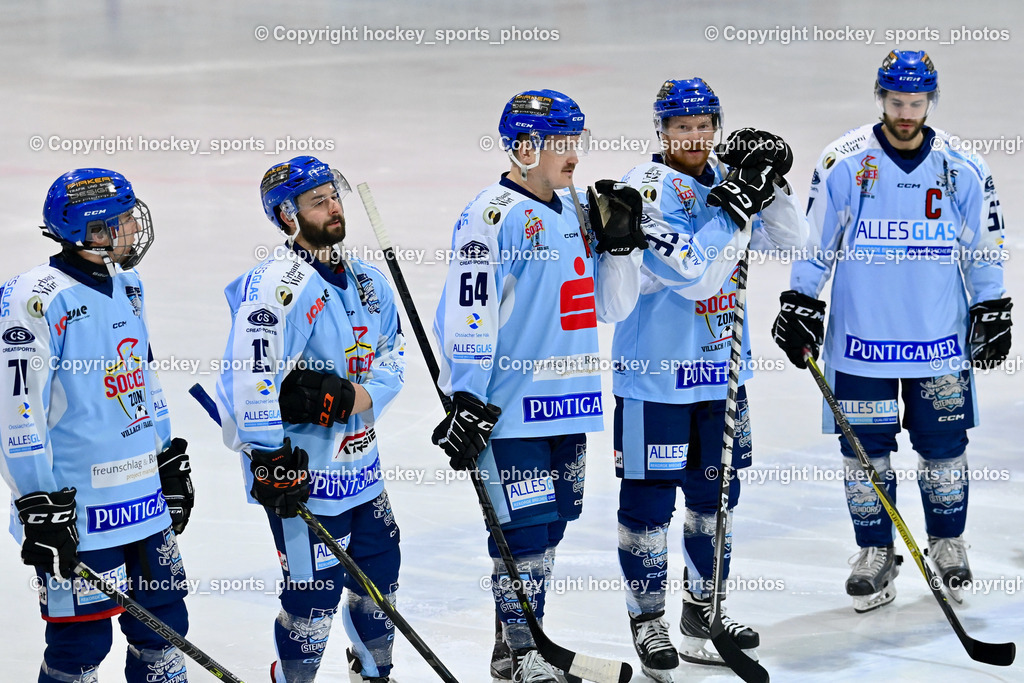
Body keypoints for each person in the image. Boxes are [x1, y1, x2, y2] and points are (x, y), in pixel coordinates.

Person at [773, 50, 1010, 611]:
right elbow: (816, 241)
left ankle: (948, 542)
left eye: (917, 102)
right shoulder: (845, 162)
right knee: (865, 452)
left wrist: (992, 305)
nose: (906, 113)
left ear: (931, 100)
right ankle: (876, 551)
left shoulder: (963, 166)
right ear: (881, 98)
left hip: (939, 342)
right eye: (897, 102)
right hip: (861, 345)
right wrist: (803, 299)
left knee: (944, 447)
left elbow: (984, 245)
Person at [431, 89, 646, 682]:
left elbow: (611, 306)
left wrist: (623, 249)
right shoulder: (490, 215)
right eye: (558, 143)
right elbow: (468, 313)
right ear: (523, 149)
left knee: (549, 528)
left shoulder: (578, 209)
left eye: (575, 141)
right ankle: (525, 653)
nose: (571, 154)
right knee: (522, 534)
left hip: (570, 402)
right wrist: (469, 397)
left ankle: (514, 649)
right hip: (510, 407)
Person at [610, 79, 809, 680]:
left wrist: (769, 184)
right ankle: (648, 621)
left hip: (722, 371)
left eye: (703, 125)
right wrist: (734, 206)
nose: (694, 138)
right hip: (656, 380)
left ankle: (703, 609)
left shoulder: (727, 172)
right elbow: (694, 275)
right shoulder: (641, 193)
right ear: (661, 131)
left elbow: (794, 239)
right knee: (648, 505)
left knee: (715, 498)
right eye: (681, 126)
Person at [216, 156, 406, 682]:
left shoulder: (366, 279)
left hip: (364, 469)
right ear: (287, 217)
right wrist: (270, 454)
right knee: (313, 599)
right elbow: (248, 379)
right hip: (306, 476)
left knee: (381, 577)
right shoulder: (277, 287)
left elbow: (394, 353)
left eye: (334, 196)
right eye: (317, 201)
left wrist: (353, 399)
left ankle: (374, 672)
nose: (333, 207)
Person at [0, 169, 194, 682]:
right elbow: (18, 410)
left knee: (165, 628)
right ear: (93, 231)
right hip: (78, 511)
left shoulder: (128, 285)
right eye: (123, 219)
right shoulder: (34, 299)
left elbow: (144, 378)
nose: (134, 227)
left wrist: (165, 457)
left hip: (142, 500)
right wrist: (37, 503)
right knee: (81, 642)